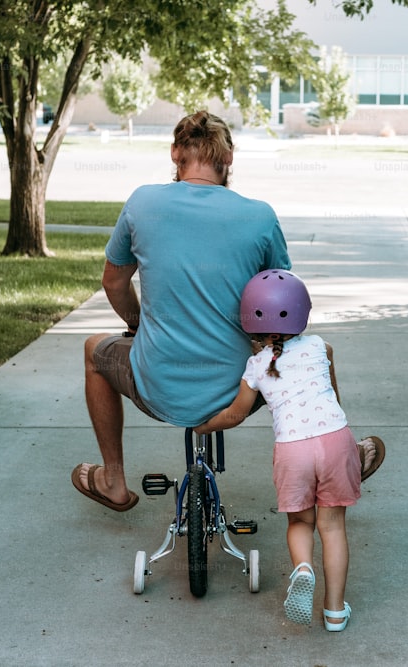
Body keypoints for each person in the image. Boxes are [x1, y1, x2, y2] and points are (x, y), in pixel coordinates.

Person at [71, 110, 292, 512]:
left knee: (93, 351)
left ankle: (114, 480)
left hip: (159, 388)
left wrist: (137, 326)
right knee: (319, 354)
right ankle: (336, 459)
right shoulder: (259, 215)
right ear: (228, 160)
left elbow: (113, 283)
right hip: (240, 389)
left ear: (176, 153)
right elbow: (281, 301)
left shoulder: (143, 203)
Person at [195, 269, 386, 632]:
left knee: (300, 522)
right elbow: (335, 399)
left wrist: (203, 426)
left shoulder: (255, 367)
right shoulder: (320, 347)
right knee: (333, 528)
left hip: (292, 451)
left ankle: (302, 568)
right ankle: (334, 612)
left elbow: (235, 414)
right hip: (336, 440)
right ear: (302, 311)